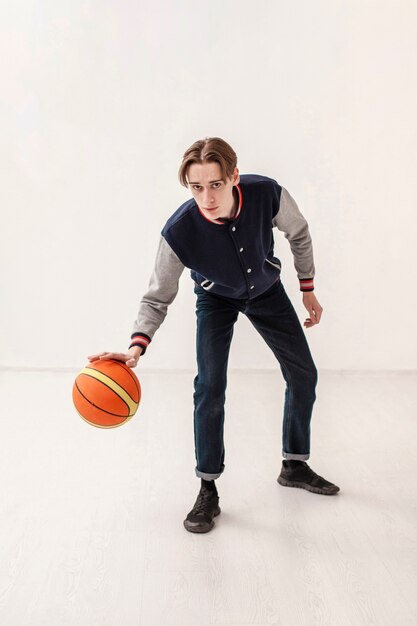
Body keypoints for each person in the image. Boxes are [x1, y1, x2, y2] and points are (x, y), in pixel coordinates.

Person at [88, 136, 340, 534]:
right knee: (209, 388)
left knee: (303, 373)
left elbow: (299, 232)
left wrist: (307, 287)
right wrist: (135, 349)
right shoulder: (179, 232)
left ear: (234, 176)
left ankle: (294, 464)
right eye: (196, 187)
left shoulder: (266, 194)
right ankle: (208, 488)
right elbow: (157, 297)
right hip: (215, 300)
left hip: (267, 291)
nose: (206, 196)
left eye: (216, 184)